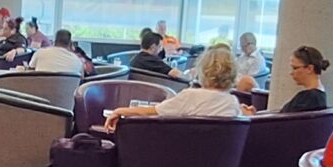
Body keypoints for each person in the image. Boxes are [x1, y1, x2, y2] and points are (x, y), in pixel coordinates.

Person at [101, 44, 249, 130]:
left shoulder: (190, 96)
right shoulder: (232, 103)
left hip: (184, 162)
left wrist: (120, 111)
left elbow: (151, 112)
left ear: (203, 70)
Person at [274, 46, 331, 114]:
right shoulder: (318, 96)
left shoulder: (307, 98)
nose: (291, 73)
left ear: (309, 69)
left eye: (295, 68)